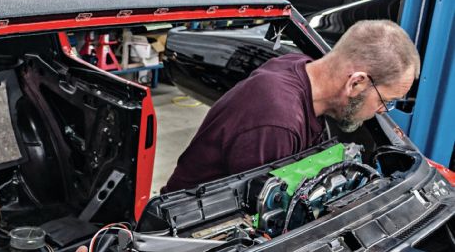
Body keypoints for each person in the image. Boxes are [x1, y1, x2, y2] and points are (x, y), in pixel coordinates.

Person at [162, 20, 421, 193]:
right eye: (384, 101)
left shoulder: (300, 65)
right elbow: (259, 229)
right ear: (355, 83)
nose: (383, 111)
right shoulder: (277, 123)